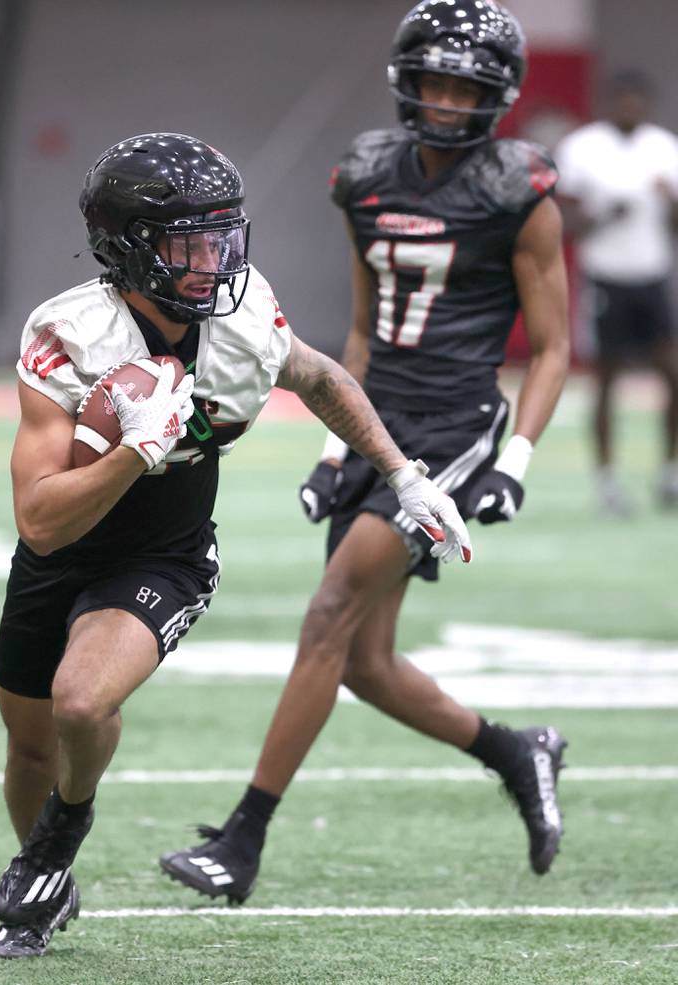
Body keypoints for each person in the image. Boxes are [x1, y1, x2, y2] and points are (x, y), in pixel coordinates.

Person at [0, 131, 471, 959]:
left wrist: (404, 476)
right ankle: (50, 850)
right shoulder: (67, 332)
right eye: (189, 242)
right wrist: (136, 451)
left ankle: (54, 843)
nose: (214, 260)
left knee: (80, 702)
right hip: (64, 546)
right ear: (128, 249)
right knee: (31, 743)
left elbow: (320, 378)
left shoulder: (244, 320)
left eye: (222, 237)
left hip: (165, 554)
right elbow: (40, 520)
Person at [160, 0, 571, 906]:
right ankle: (518, 749)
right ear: (405, 77)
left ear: (496, 93)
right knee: (364, 662)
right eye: (434, 78)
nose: (448, 98)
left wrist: (518, 459)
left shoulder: (519, 189)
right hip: (377, 418)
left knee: (330, 609)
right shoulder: (368, 173)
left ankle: (244, 839)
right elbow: (359, 331)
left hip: (453, 427)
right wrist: (331, 445)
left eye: (467, 83)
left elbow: (551, 349)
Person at [556, 70, 678, 514]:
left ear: (646, 104)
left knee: (672, 373)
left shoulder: (664, 149)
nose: (630, 107)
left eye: (637, 100)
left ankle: (669, 472)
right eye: (622, 100)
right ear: (609, 103)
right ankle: (607, 479)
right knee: (607, 379)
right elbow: (563, 223)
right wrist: (605, 214)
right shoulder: (584, 148)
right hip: (606, 277)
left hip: (652, 275)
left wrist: (671, 203)